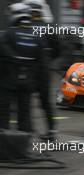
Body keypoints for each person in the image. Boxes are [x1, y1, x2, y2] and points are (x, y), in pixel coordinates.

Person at [1, 3, 44, 132]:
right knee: (24, 115)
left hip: (8, 82)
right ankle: (23, 145)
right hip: (28, 83)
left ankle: (5, 146)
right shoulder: (36, 37)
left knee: (4, 114)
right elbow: (41, 63)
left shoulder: (8, 34)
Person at [24, 0, 60, 141]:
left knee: (25, 101)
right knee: (46, 102)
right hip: (44, 71)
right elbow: (58, 49)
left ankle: (27, 131)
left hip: (29, 70)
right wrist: (48, 60)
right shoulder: (49, 27)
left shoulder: (26, 26)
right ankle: (51, 132)